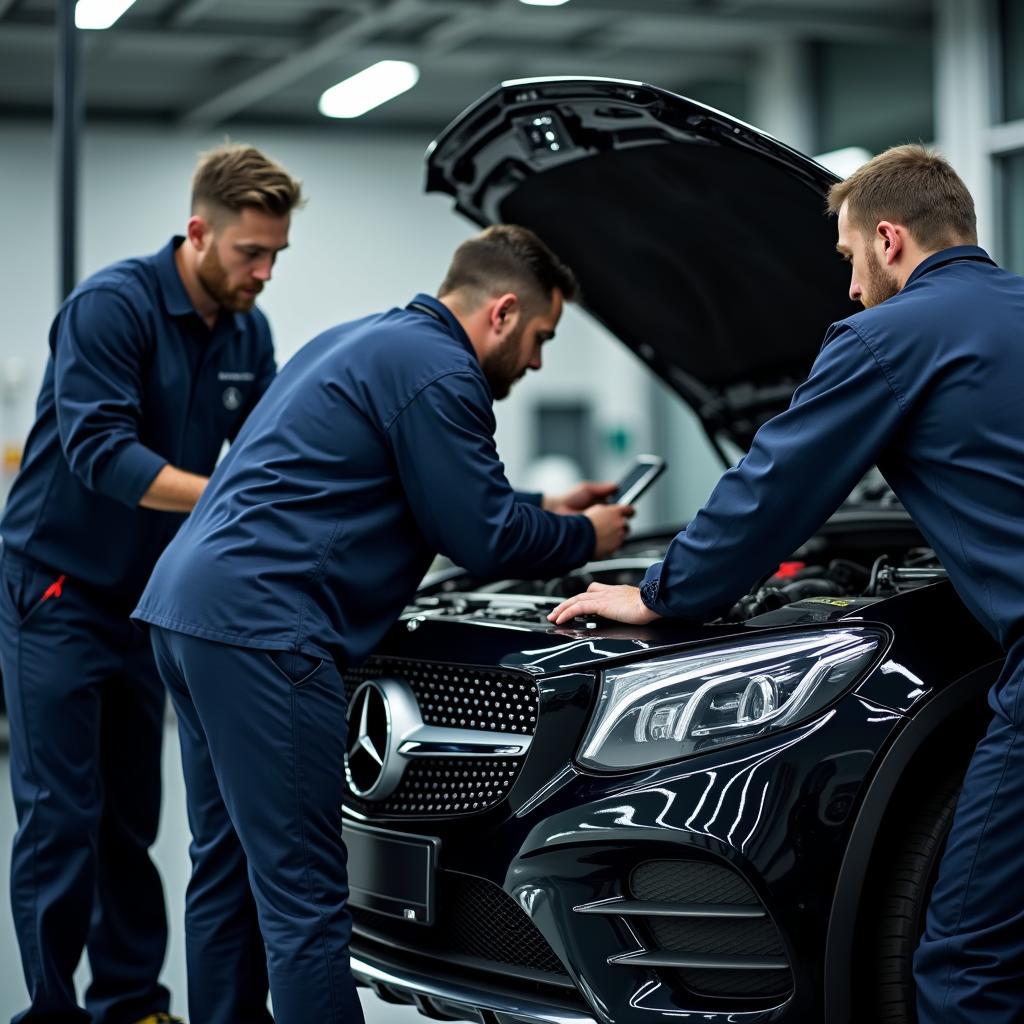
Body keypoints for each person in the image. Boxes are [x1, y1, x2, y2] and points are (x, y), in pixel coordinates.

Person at [547, 144, 1024, 1023]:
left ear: (889, 240)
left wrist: (658, 593)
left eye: (848, 260)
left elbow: (776, 486)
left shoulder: (890, 334)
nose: (847, 288)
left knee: (967, 962)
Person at [130, 224, 633, 1024]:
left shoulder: (363, 341)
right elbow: (481, 537)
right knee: (305, 896)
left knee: (226, 873)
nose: (537, 361)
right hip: (267, 627)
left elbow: (424, 490)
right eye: (541, 337)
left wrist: (544, 506)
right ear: (502, 313)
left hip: (189, 615)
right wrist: (588, 538)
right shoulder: (442, 372)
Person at [0, 142, 303, 1024]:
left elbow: (271, 450)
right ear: (199, 232)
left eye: (277, 255)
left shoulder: (249, 330)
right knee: (62, 815)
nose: (264, 272)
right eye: (251, 252)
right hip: (56, 589)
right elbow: (99, 453)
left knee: (132, 816)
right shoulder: (111, 308)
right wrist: (227, 494)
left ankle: (130, 1002)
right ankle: (51, 1013)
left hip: (146, 600)